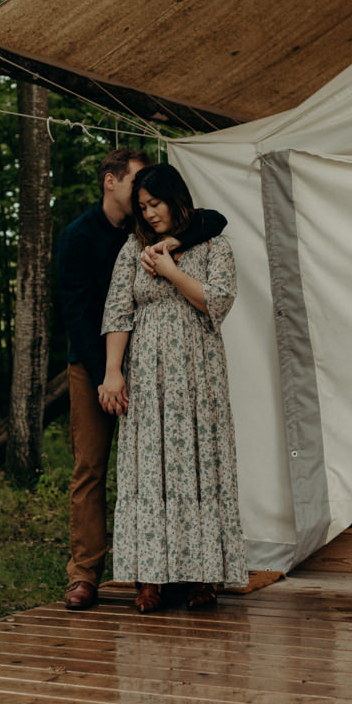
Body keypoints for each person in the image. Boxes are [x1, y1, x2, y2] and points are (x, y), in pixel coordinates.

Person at [55, 151, 226, 611]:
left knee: (168, 467)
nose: (145, 202)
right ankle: (85, 575)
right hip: (97, 362)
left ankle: (178, 572)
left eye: (154, 197)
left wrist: (172, 248)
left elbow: (214, 218)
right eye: (137, 188)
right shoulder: (80, 237)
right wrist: (108, 376)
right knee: (92, 468)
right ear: (112, 183)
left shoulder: (166, 233)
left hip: (161, 370)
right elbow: (83, 314)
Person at [99, 163, 247, 613]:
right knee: (151, 470)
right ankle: (149, 579)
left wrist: (170, 269)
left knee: (199, 468)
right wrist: (113, 371)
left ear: (175, 198)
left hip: (198, 375)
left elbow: (216, 300)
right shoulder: (132, 250)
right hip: (148, 376)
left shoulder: (212, 245)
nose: (149, 215)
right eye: (142, 208)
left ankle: (204, 577)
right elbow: (118, 311)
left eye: (155, 204)